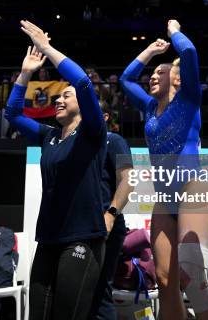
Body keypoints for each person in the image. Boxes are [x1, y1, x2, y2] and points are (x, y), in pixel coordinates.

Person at [4, 21, 108, 320]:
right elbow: (12, 113)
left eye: (66, 96)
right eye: (58, 96)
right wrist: (25, 74)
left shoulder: (93, 132)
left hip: (82, 238)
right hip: (48, 237)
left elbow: (85, 84)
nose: (58, 99)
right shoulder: (48, 135)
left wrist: (48, 49)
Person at [120, 20, 208, 319]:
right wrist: (150, 51)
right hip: (165, 199)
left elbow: (188, 53)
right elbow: (126, 79)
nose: (153, 77)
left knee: (193, 278)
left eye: (160, 73)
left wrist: (174, 31)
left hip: (193, 191)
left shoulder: (189, 99)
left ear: (177, 80)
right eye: (152, 74)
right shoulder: (151, 108)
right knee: (165, 281)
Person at [88, 100, 134, 319]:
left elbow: (129, 179)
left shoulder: (114, 140)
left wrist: (111, 214)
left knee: (99, 292)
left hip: (107, 225)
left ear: (105, 117)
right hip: (81, 227)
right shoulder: (79, 144)